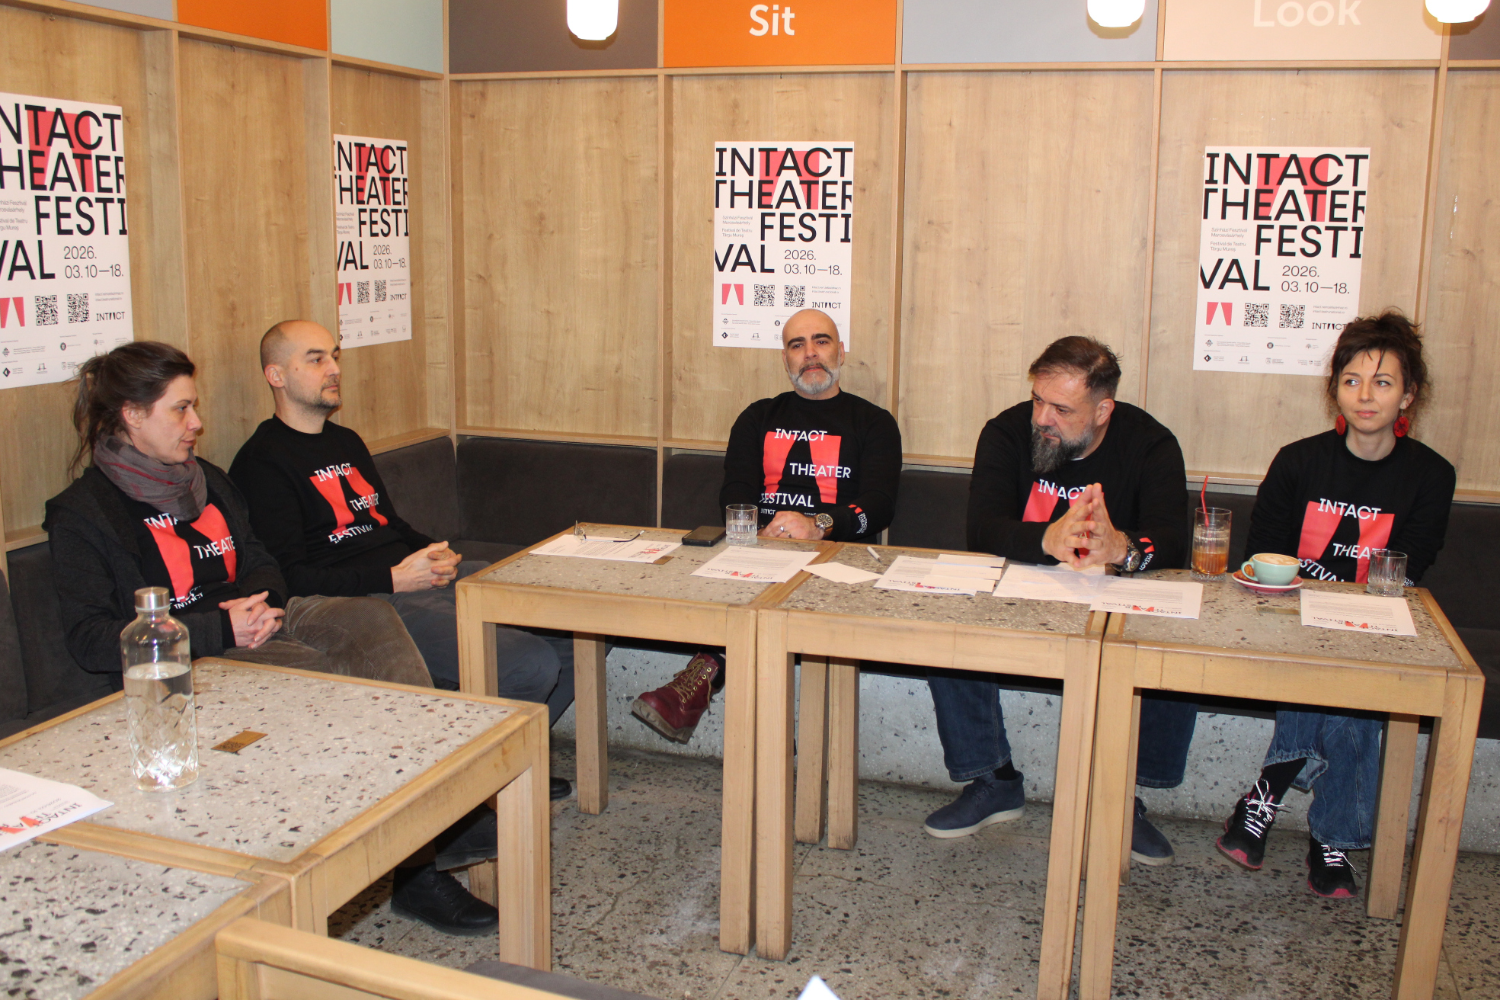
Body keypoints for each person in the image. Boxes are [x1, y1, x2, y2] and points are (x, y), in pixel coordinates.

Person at [46, 340, 502, 937]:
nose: (196, 423)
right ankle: (415, 864)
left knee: (372, 623)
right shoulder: (84, 513)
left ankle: (430, 814)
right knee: (331, 684)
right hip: (197, 655)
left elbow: (261, 556)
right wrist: (222, 626)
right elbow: (89, 638)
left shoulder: (206, 479)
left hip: (266, 617)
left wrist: (259, 600)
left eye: (194, 406)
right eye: (180, 409)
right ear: (132, 415)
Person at [229, 320, 573, 800]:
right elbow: (290, 578)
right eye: (316, 359)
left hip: (415, 575)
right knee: (530, 663)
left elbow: (388, 523)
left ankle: (506, 759)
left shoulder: (346, 441)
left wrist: (437, 551)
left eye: (334, 356)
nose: (333, 369)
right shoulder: (261, 462)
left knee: (575, 621)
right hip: (370, 599)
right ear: (276, 375)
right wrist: (392, 578)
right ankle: (478, 786)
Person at [925, 336, 1193, 865]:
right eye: (1038, 400)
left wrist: (1122, 548)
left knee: (1174, 631)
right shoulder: (1006, 432)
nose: (1042, 419)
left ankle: (1120, 798)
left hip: (1108, 601)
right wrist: (1048, 539)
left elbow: (1171, 542)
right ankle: (992, 779)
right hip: (1017, 591)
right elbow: (982, 528)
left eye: (1062, 409)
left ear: (1103, 410)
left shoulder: (1151, 445)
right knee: (947, 615)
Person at [1216, 311, 1455, 899]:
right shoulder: (1298, 461)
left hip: (1374, 625)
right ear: (1335, 390)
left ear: (1408, 395)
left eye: (1382, 382)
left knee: (1357, 675)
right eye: (1352, 380)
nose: (1365, 395)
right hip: (1287, 618)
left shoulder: (1431, 475)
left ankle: (1268, 793)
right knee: (1334, 675)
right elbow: (1260, 555)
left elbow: (1410, 568)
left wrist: (1348, 614)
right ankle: (1333, 837)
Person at [629, 308, 902, 743]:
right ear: (785, 359)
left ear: (841, 352)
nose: (810, 353)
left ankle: (703, 685)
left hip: (837, 558)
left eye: (821, 341)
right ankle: (767, 737)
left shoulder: (874, 422)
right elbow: (735, 491)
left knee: (772, 606)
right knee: (731, 587)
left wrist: (818, 525)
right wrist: (755, 534)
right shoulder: (758, 417)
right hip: (760, 552)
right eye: (797, 345)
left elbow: (880, 506)